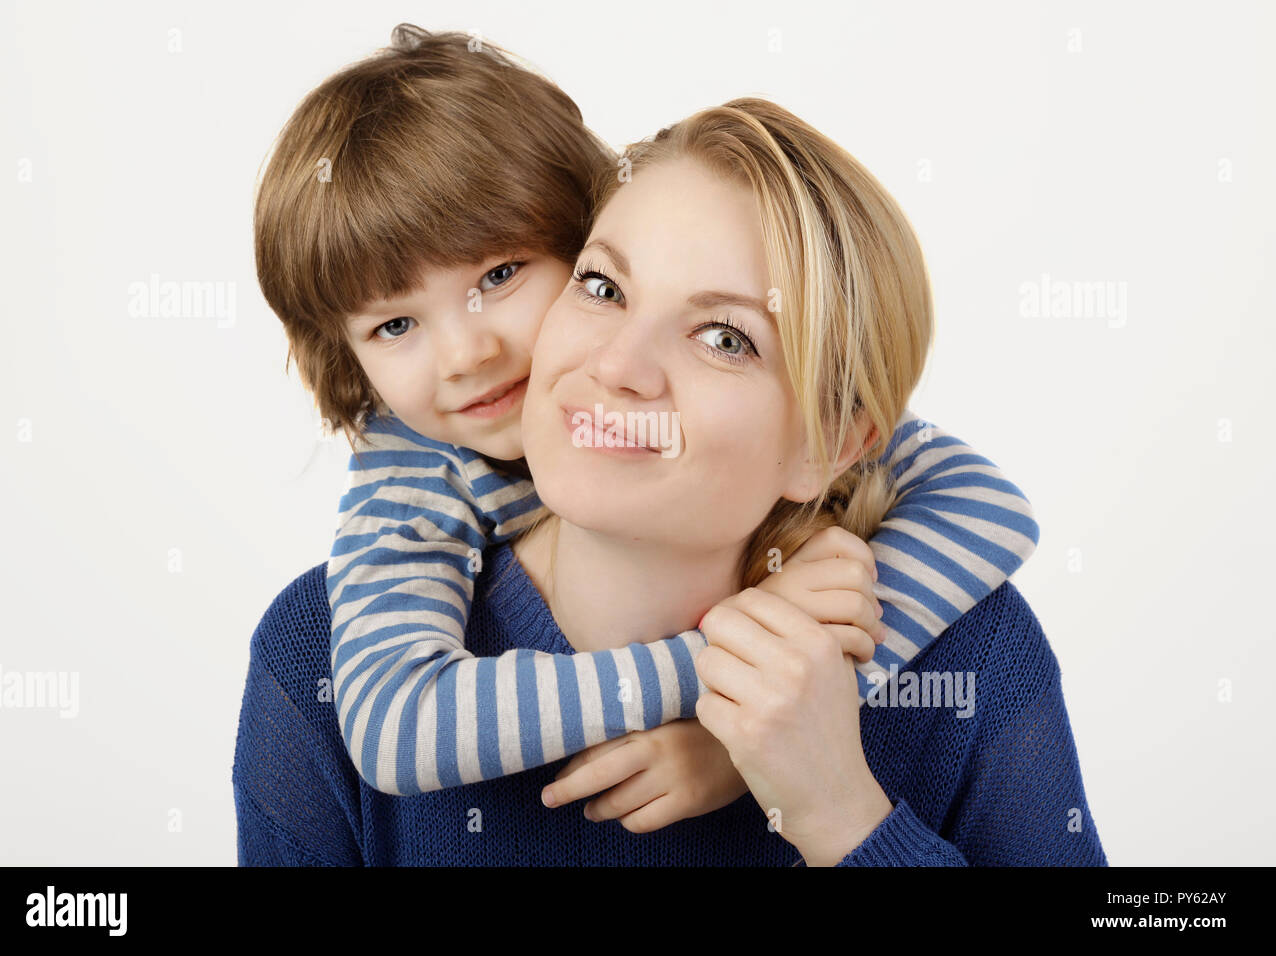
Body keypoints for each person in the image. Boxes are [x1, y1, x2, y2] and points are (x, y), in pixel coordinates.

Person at [235, 94, 1104, 865]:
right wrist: (720, 678)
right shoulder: (319, 655)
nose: (617, 366)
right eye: (605, 286)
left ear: (833, 443)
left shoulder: (971, 652)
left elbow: (985, 502)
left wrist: (841, 815)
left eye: (724, 337)